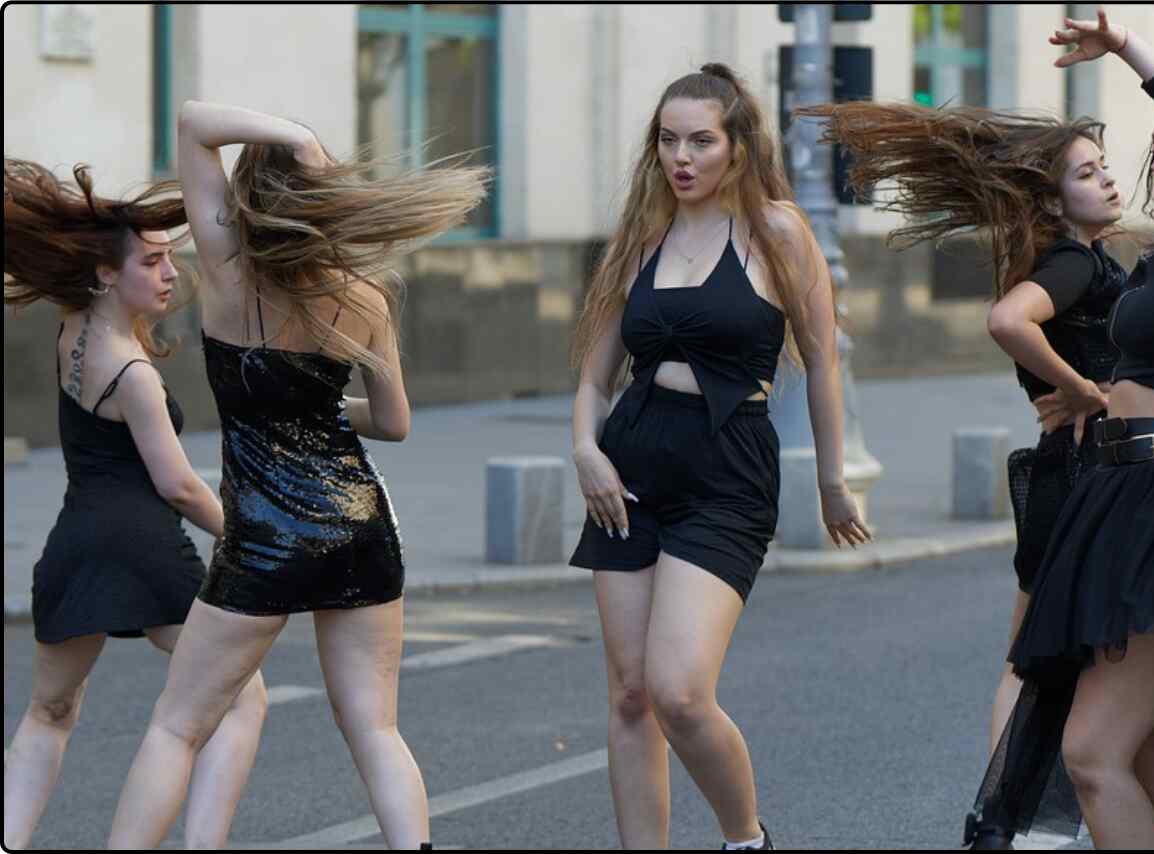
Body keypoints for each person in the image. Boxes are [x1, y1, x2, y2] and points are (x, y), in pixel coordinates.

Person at [105, 102, 488, 850]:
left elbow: (193, 122)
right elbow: (395, 423)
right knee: (376, 728)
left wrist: (291, 136)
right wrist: (316, 397)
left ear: (247, 199)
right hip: (357, 521)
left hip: (267, 534)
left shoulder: (226, 273)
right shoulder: (365, 295)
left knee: (178, 726)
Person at [969, 9, 1154, 850]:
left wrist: (1130, 49)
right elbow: (1146, 362)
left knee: (1093, 751)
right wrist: (1092, 393)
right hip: (1124, 498)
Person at [797, 94, 1130, 847]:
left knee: (1032, 657)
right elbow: (1008, 322)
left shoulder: (1076, 258)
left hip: (1064, 476)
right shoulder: (1073, 262)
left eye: (1106, 168)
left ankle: (1001, 821)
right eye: (1088, 173)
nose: (1109, 182)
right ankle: (1016, 818)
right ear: (1052, 196)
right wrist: (1079, 388)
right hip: (1085, 480)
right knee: (1071, 658)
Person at [567, 62, 872, 851]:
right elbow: (596, 374)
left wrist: (833, 480)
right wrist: (583, 451)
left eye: (701, 140)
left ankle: (745, 838)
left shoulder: (777, 232)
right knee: (631, 695)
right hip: (630, 463)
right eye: (669, 140)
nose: (683, 157)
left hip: (729, 467)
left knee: (679, 691)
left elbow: (822, 359)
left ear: (738, 147)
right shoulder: (640, 239)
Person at [2, 158, 267, 849]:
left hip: (75, 546)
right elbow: (177, 484)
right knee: (240, 697)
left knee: (50, 712)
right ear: (105, 274)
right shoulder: (134, 374)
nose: (172, 274)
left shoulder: (71, 335)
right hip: (146, 548)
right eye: (152, 262)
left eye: (171, 259)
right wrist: (249, 533)